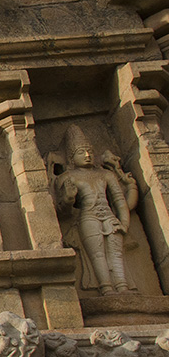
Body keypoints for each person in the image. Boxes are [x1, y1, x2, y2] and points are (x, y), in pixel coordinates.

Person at [53, 125, 139, 294]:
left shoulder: (106, 174)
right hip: (89, 217)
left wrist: (124, 223)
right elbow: (62, 211)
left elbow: (120, 201)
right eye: (81, 152)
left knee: (116, 254)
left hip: (109, 216)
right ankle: (106, 288)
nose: (87, 155)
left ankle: (122, 286)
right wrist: (69, 198)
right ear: (71, 158)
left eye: (90, 151)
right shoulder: (68, 177)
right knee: (97, 255)